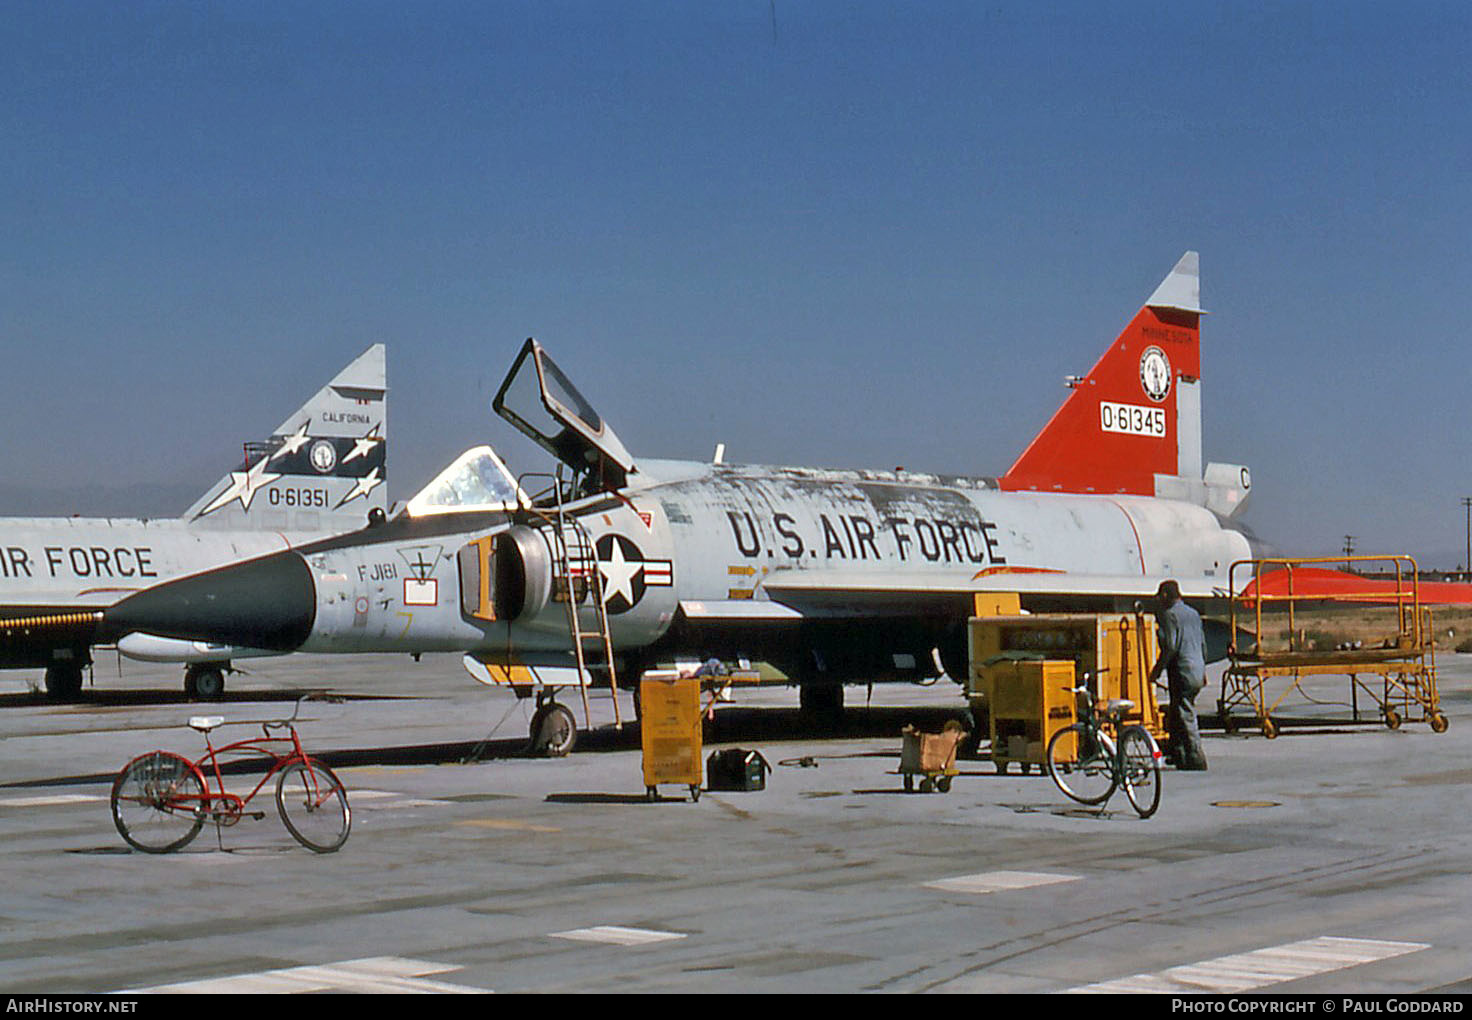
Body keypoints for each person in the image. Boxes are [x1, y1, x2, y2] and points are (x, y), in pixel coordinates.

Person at [1149, 579, 1209, 770]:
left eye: (1160, 596)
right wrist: (1203, 670)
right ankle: (1179, 754)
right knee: (1176, 711)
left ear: (1166, 595)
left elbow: (1171, 646)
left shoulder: (1169, 615)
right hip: (1197, 668)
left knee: (1185, 712)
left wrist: (1157, 670)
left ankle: (1197, 756)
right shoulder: (1193, 613)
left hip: (1182, 670)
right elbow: (1202, 645)